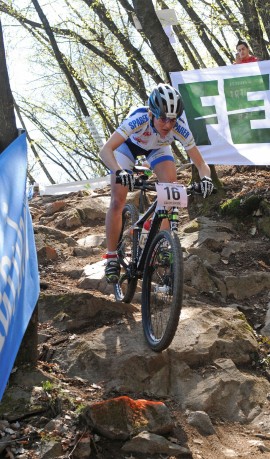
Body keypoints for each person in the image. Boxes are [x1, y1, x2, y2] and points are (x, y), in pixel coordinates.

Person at [99, 83, 214, 283]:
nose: (168, 125)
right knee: (118, 200)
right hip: (127, 148)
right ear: (152, 113)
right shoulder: (139, 119)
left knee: (171, 189)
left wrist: (206, 179)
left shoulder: (179, 129)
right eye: (162, 118)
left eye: (172, 120)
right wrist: (119, 171)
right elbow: (105, 150)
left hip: (157, 149)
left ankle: (159, 237)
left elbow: (202, 164)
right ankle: (111, 257)